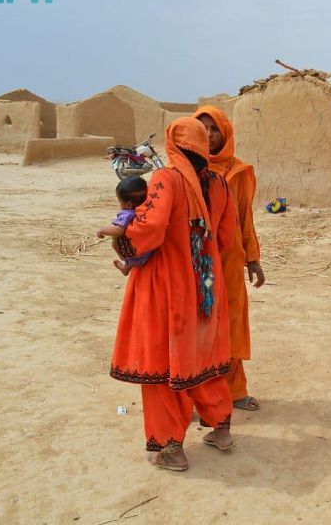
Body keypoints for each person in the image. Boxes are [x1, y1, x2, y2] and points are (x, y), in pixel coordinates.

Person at [110, 117, 238, 471]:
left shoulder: (166, 179)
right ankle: (221, 430)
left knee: (162, 364)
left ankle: (170, 448)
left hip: (166, 286)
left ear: (173, 144)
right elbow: (226, 237)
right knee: (205, 356)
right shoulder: (219, 183)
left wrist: (123, 233)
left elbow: (149, 228)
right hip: (207, 286)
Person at [194, 105, 265, 412]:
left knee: (232, 322)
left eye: (215, 130)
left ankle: (234, 390)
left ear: (225, 133)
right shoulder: (184, 168)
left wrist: (253, 259)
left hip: (230, 259)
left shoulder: (240, 172)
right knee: (199, 326)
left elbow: (245, 216)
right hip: (195, 261)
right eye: (203, 129)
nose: (209, 135)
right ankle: (195, 394)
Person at [96, 176, 153, 275]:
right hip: (149, 252)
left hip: (135, 256)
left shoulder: (127, 214)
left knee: (115, 243)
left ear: (128, 205)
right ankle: (126, 268)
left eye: (120, 201)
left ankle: (127, 265)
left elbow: (118, 230)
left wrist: (102, 230)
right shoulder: (148, 209)